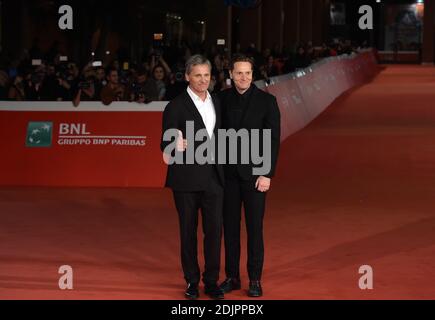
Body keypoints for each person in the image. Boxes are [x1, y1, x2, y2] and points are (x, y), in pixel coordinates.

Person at [160, 55, 225, 300]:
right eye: (197, 75)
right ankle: (191, 281)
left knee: (214, 231)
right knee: (188, 232)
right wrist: (173, 143)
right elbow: (164, 143)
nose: (202, 80)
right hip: (185, 179)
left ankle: (211, 281)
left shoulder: (217, 102)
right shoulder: (175, 106)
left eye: (206, 75)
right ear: (187, 76)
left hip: (214, 179)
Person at [218, 54, 281, 297]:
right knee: (230, 228)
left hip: (255, 176)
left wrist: (267, 174)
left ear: (253, 75)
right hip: (228, 176)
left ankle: (255, 279)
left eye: (247, 73)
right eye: (238, 73)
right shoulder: (220, 99)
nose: (243, 77)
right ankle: (232, 277)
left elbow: (273, 141)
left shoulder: (267, 101)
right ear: (231, 74)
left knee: (255, 229)